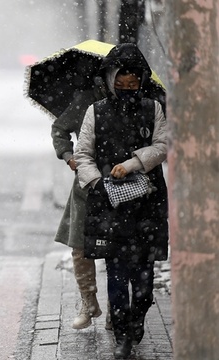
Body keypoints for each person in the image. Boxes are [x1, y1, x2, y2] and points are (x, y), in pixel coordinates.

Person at [74, 43, 168, 359]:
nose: (127, 89)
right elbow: (83, 153)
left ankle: (138, 315)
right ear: (111, 80)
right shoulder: (95, 111)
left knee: (143, 273)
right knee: (115, 271)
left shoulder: (152, 108)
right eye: (121, 83)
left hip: (147, 202)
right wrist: (96, 180)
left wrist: (131, 164)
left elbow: (162, 147)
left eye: (133, 84)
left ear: (141, 82)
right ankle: (122, 333)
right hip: (108, 203)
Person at [51, 84, 111, 330]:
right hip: (85, 184)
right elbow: (59, 129)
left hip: (119, 181)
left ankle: (116, 308)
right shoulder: (84, 100)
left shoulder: (134, 102)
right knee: (80, 245)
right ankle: (88, 302)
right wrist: (68, 156)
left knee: (115, 247)